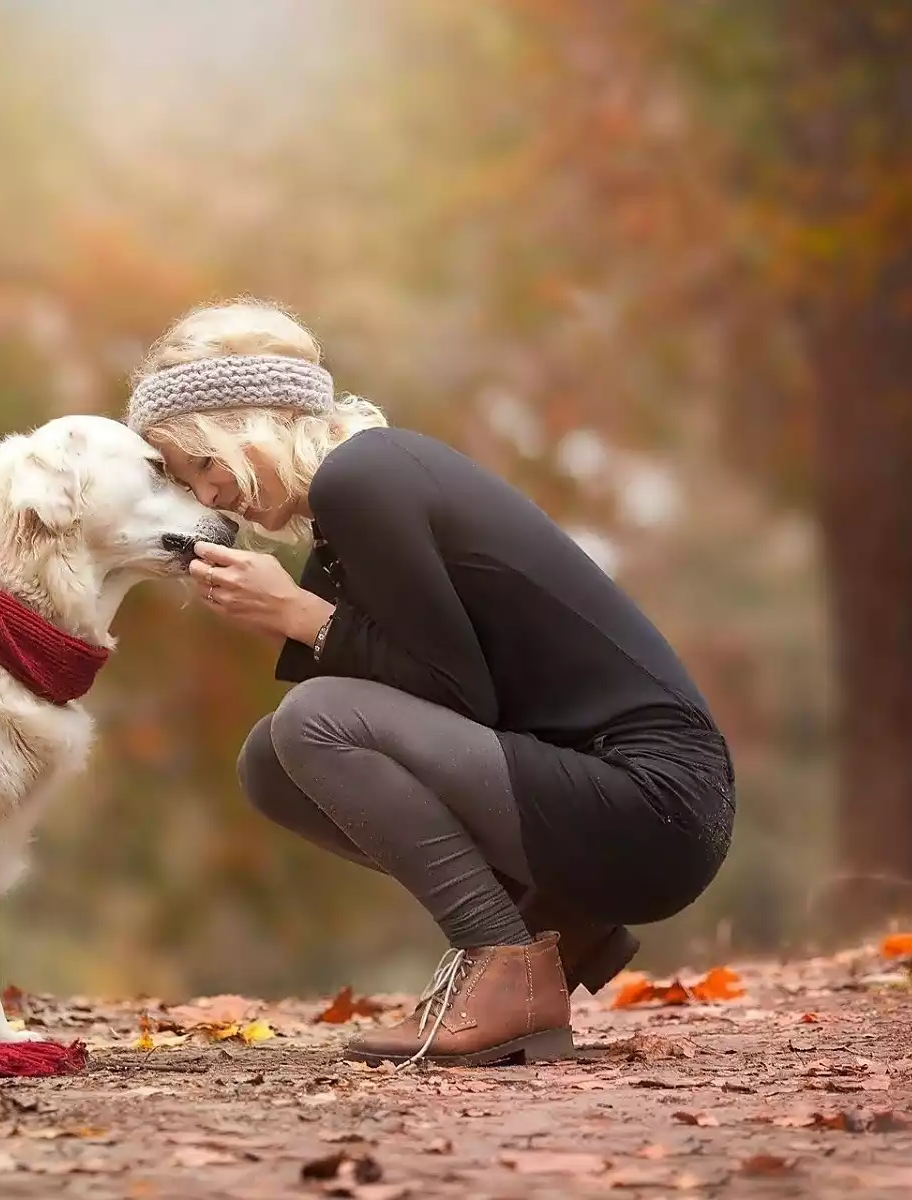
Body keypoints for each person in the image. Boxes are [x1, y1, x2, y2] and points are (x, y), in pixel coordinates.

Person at [124, 299, 735, 1067]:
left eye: (203, 466)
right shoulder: (354, 497)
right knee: (272, 761)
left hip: (653, 805)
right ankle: (552, 926)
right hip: (614, 801)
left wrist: (299, 613)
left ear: (247, 426)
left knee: (312, 720)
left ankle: (504, 959)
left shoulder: (364, 478)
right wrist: (298, 614)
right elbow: (437, 696)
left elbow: (454, 696)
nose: (209, 498)